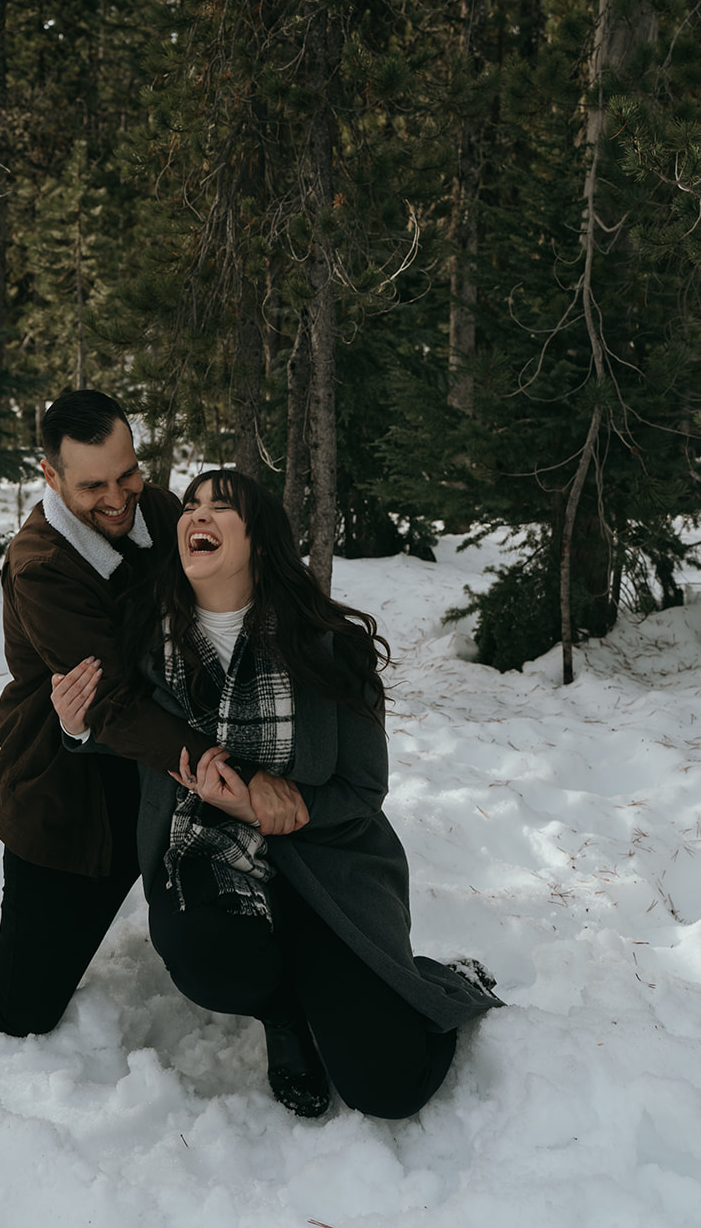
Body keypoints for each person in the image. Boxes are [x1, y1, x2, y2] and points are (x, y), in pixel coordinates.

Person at [0, 393, 308, 1035]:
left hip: (163, 777)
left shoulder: (158, 510)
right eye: (93, 485)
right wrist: (217, 763)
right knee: (23, 1006)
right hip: (72, 793)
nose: (119, 498)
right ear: (51, 476)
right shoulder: (41, 566)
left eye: (128, 474)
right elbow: (111, 703)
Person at [52, 468, 502, 1119]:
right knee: (207, 960)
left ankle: (433, 979)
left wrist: (273, 806)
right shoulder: (150, 641)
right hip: (211, 866)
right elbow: (134, 735)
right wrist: (74, 726)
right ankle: (284, 1012)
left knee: (388, 1090)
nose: (195, 517)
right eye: (189, 506)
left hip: (324, 875)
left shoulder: (328, 649)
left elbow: (360, 789)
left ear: (260, 541)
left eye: (220, 506)